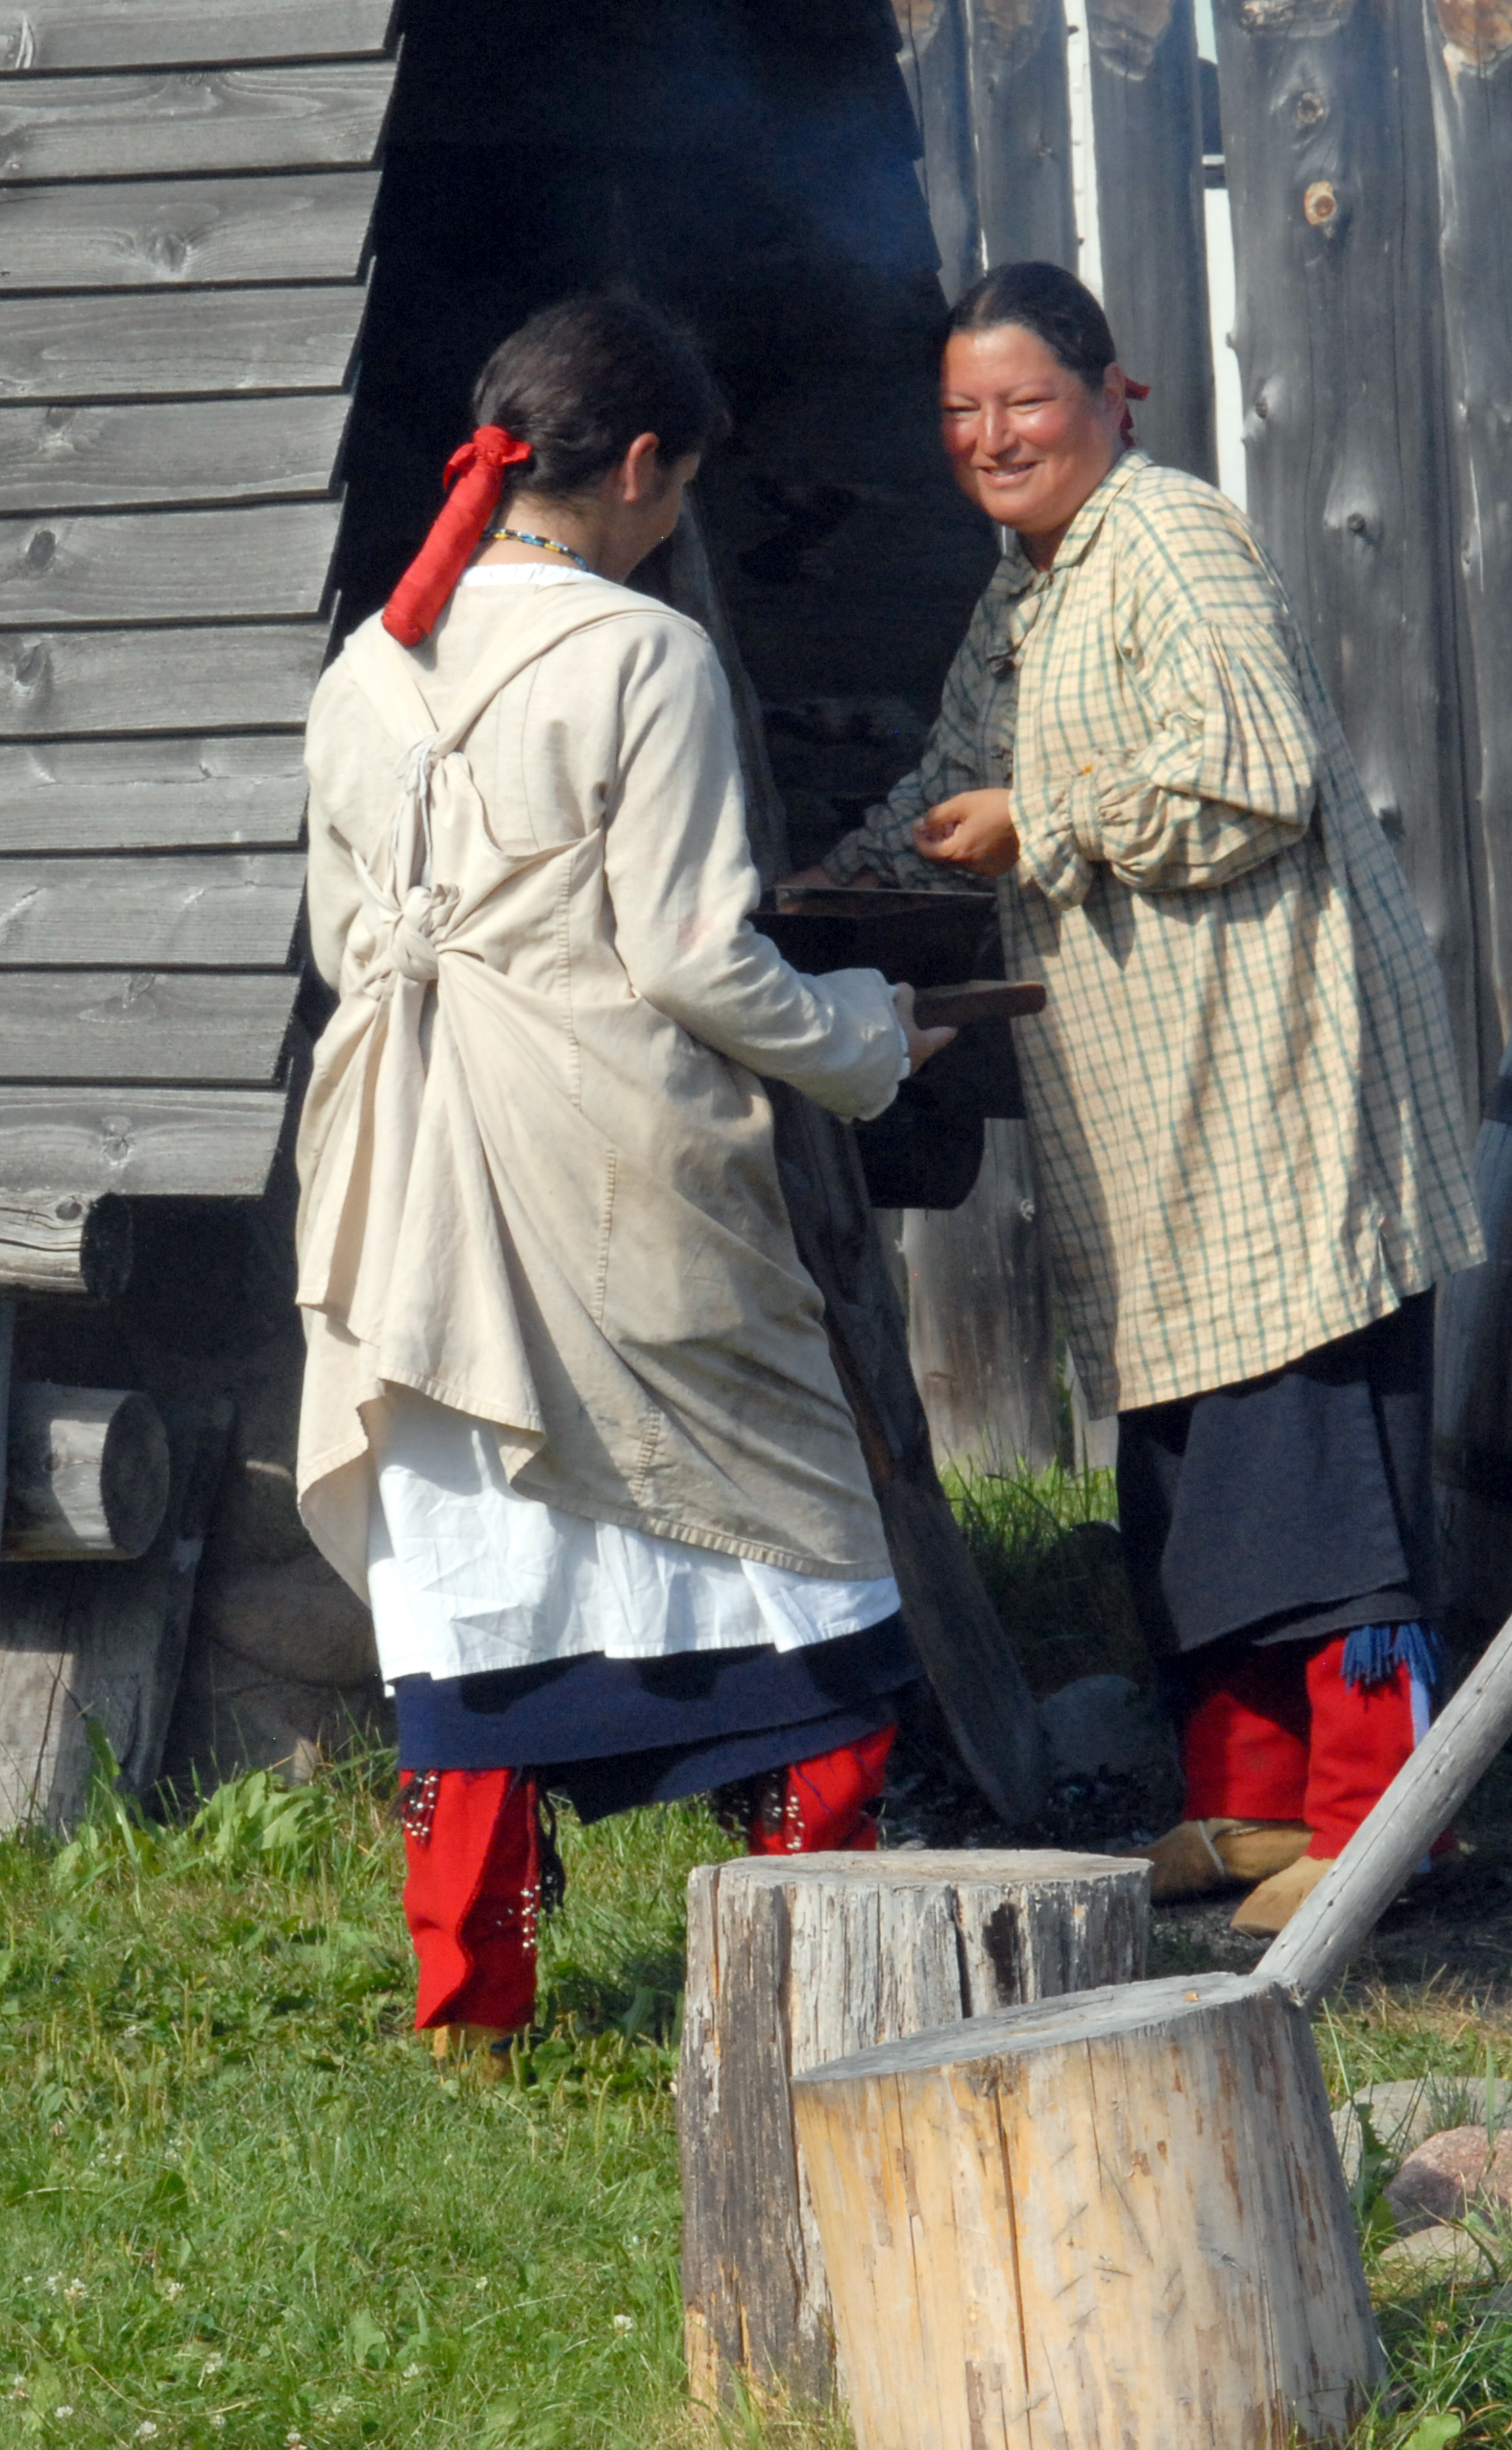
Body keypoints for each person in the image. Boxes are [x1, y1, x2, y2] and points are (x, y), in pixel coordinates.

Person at [294, 297, 955, 2067]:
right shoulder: (644, 655)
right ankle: (813, 1965)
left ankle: (476, 2009)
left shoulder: (366, 665)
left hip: (407, 1170)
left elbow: (354, 940)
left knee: (476, 1572)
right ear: (641, 465)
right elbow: (691, 960)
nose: (674, 526)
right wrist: (873, 1030)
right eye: (678, 490)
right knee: (799, 1530)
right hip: (605, 1157)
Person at [793, 262, 1484, 1935]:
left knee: (1305, 1447)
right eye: (961, 412)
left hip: (1275, 1077)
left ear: (1120, 398)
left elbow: (1257, 770)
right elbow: (957, 775)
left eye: (1023, 401)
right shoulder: (1028, 587)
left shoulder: (1166, 535)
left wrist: (1047, 815)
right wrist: (828, 885)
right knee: (1188, 1455)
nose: (990, 438)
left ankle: (1378, 1819)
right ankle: (1248, 1804)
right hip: (1159, 1108)